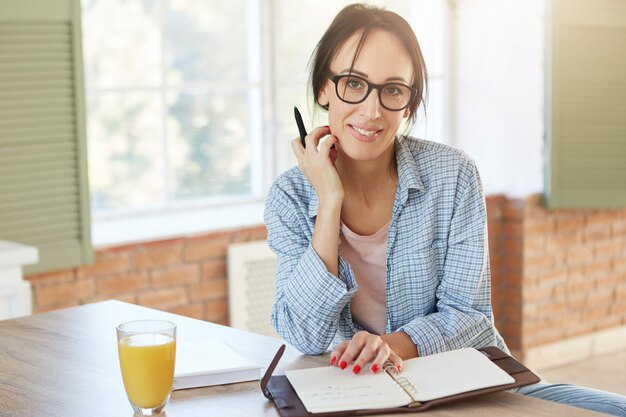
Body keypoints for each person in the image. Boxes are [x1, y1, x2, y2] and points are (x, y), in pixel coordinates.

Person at [263, 3, 626, 416]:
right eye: (353, 83)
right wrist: (329, 202)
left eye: (393, 90)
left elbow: (469, 316)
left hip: (473, 386)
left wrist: (390, 345)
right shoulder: (290, 197)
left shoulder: (453, 175)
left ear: (409, 103)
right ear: (322, 90)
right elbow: (305, 334)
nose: (372, 110)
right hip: (362, 397)